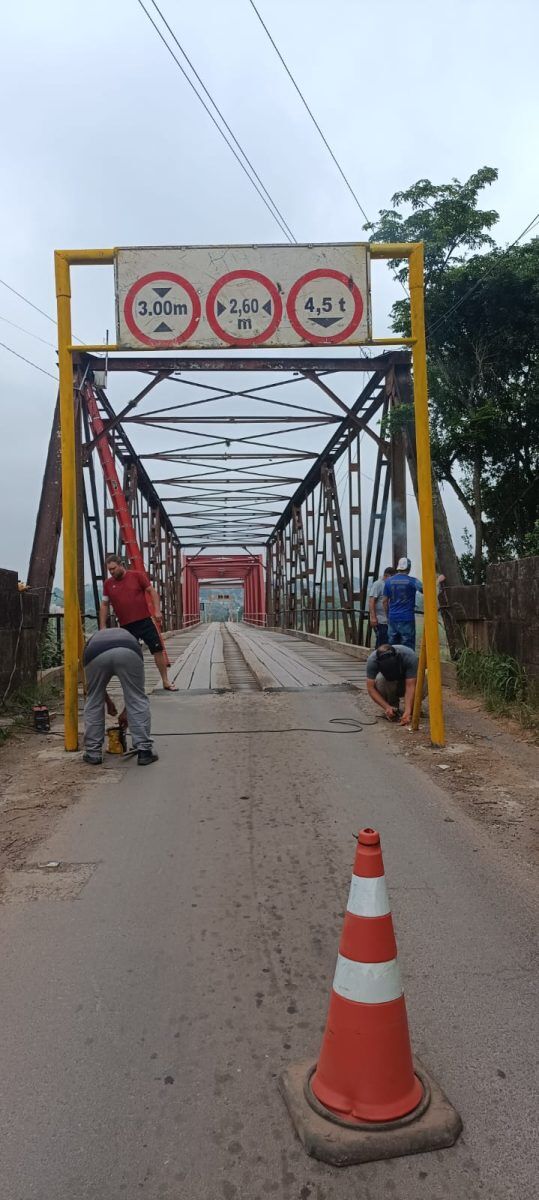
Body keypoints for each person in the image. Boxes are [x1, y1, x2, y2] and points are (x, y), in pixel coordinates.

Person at [82, 626, 158, 766]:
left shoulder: (91, 641)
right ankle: (144, 751)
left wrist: (111, 704)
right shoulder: (129, 637)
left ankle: (93, 753)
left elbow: (95, 689)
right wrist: (122, 709)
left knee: (93, 700)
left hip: (95, 653)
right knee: (137, 697)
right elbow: (134, 694)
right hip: (128, 651)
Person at [100, 554, 177, 691]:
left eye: (113, 568)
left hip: (144, 621)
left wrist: (157, 611)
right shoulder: (108, 584)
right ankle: (134, 685)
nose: (111, 572)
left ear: (121, 564)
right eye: (109, 570)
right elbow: (105, 605)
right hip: (126, 625)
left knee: (157, 650)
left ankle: (165, 681)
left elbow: (152, 592)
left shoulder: (137, 576)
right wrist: (102, 626)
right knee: (130, 655)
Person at [365, 642, 420, 727]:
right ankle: (392, 707)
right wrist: (386, 707)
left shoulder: (409, 656)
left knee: (424, 678)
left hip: (406, 680)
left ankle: (413, 707)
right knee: (380, 680)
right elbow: (370, 688)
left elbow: (410, 685)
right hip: (389, 682)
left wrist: (408, 710)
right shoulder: (372, 661)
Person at [382, 557, 423, 650]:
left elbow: (384, 601)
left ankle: (393, 664)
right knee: (407, 648)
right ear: (409, 568)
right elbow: (426, 590)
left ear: (398, 567)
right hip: (407, 619)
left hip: (393, 619)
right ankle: (406, 664)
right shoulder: (413, 581)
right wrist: (437, 581)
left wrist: (388, 616)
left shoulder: (388, 581)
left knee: (392, 648)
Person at [368, 566, 394, 647]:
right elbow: (371, 601)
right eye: (391, 577)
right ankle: (378, 658)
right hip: (380, 620)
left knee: (386, 642)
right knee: (381, 643)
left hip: (387, 621)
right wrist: (373, 618)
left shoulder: (388, 584)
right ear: (386, 575)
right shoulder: (378, 584)